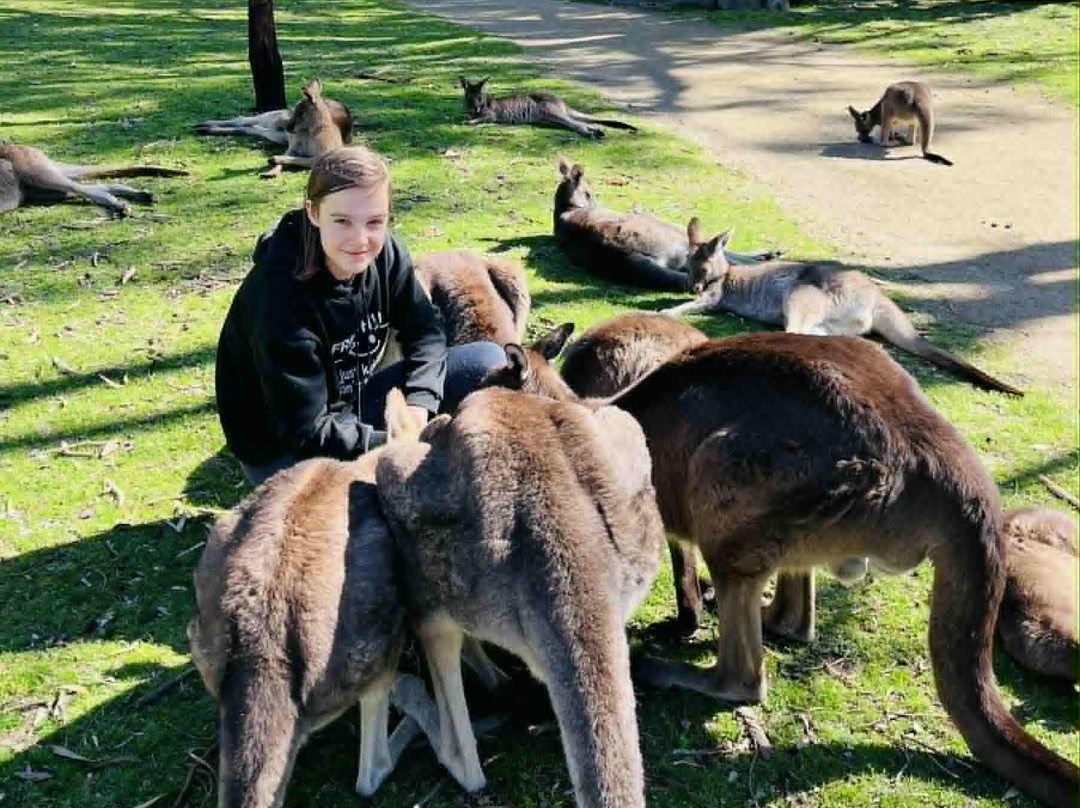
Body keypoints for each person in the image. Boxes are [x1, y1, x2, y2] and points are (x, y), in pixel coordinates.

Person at [215, 145, 505, 486]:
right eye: (342, 221)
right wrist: (401, 444)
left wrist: (419, 403)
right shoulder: (279, 297)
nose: (360, 240)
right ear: (313, 212)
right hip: (286, 445)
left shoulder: (386, 255)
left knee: (486, 360)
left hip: (352, 403)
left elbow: (426, 330)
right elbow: (307, 430)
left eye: (374, 222)